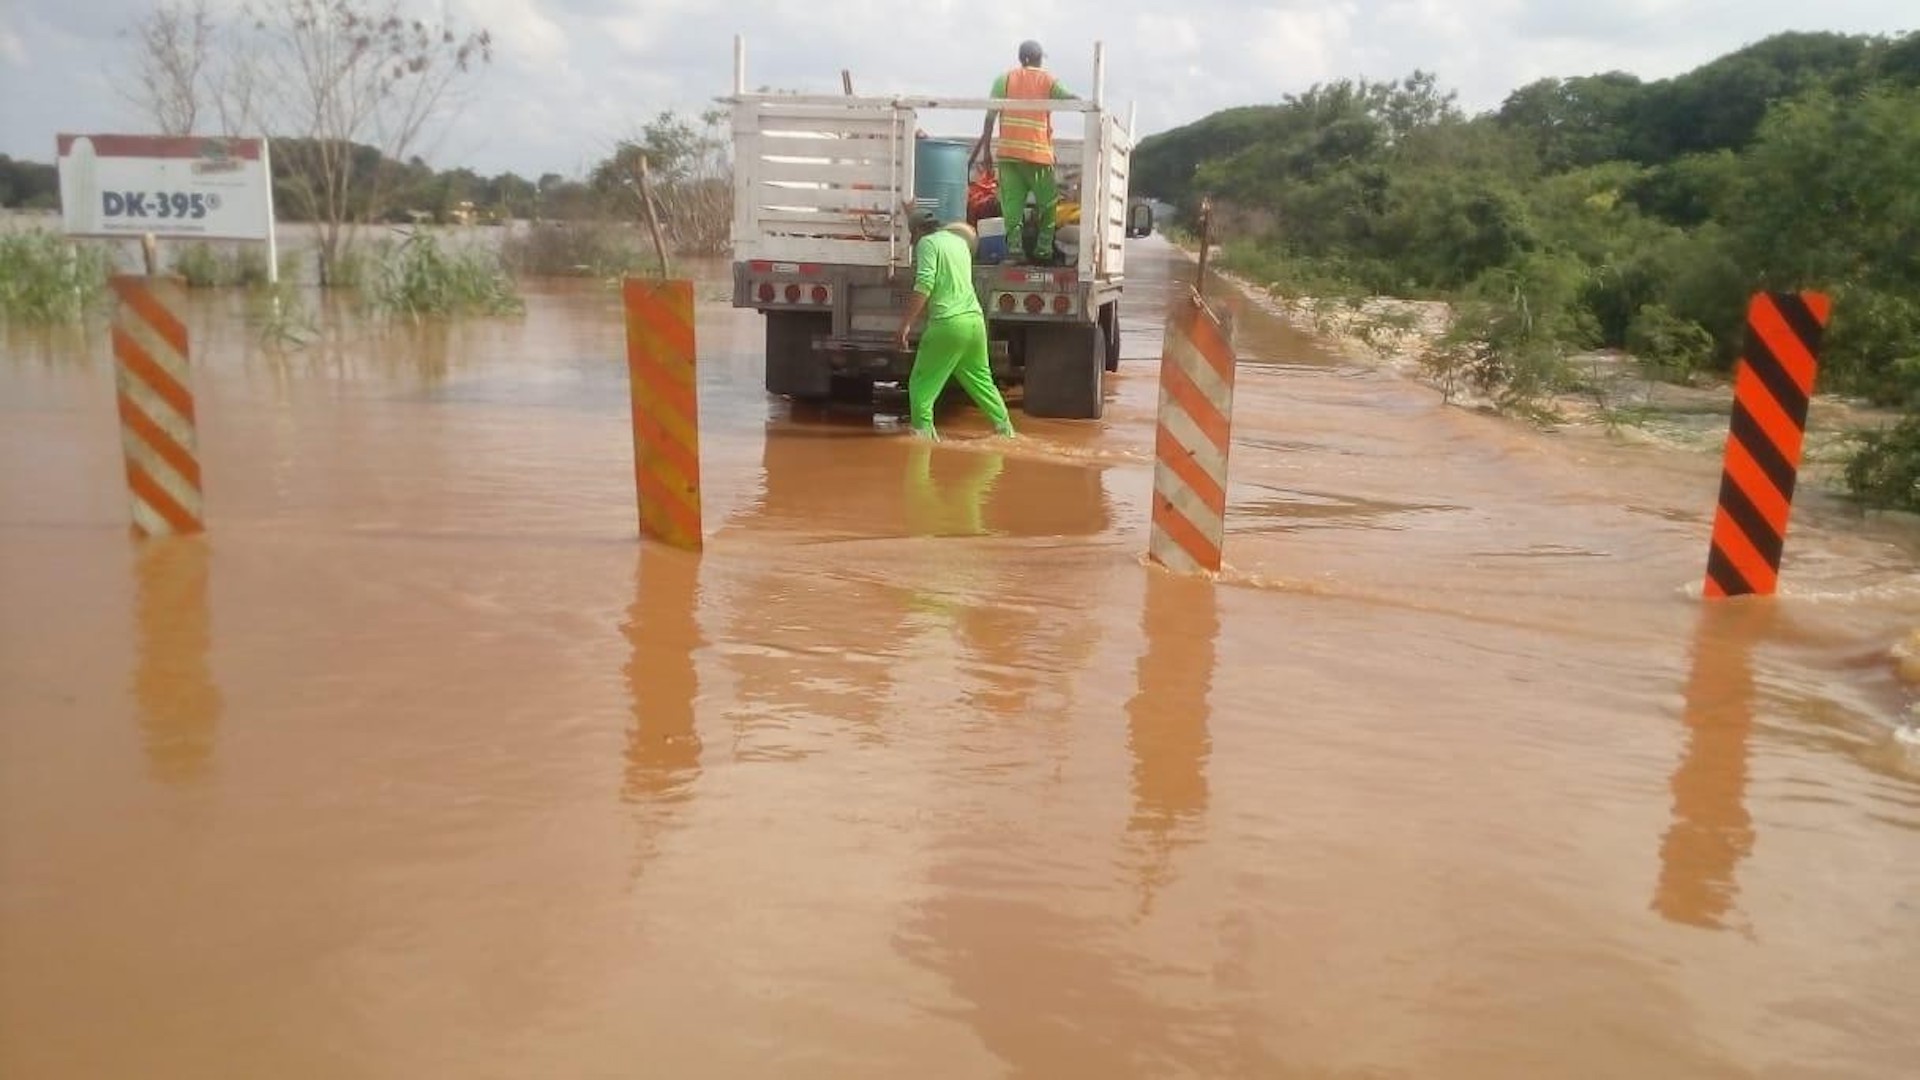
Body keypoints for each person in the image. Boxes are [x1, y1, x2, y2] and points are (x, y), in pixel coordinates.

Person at [894, 212, 1015, 440]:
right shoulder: (958, 242)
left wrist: (905, 325)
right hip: (974, 322)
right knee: (982, 382)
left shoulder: (926, 243)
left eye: (912, 234)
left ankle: (922, 440)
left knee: (921, 386)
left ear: (918, 231)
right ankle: (1005, 431)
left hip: (948, 324)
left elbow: (925, 283)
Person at [973, 39, 1077, 265]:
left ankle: (1015, 251)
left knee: (1012, 208)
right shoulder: (1047, 79)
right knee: (1048, 205)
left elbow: (990, 117)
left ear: (1022, 58)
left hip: (1009, 156)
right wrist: (1092, 107)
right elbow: (1068, 98)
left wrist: (987, 153)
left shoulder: (1004, 80)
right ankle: (1042, 251)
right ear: (1036, 58)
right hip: (1038, 156)